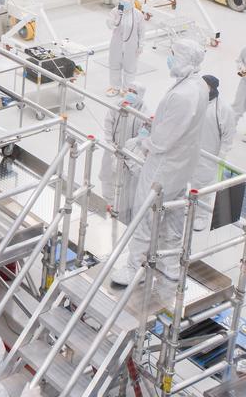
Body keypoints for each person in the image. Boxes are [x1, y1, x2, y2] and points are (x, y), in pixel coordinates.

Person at [111, 38, 207, 286]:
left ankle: (134, 266)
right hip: (183, 164)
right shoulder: (198, 86)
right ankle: (170, 263)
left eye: (173, 55)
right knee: (174, 211)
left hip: (164, 165)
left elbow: (163, 141)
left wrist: (144, 143)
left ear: (185, 59)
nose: (170, 59)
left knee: (145, 211)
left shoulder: (183, 95)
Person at [193, 75, 236, 231]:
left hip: (209, 155)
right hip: (190, 151)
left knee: (203, 186)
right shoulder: (195, 100)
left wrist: (220, 157)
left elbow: (228, 136)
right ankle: (190, 206)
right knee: (188, 181)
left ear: (211, 87)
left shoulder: (223, 109)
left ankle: (201, 216)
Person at [98, 85, 146, 208]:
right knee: (108, 176)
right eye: (129, 90)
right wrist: (109, 142)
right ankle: (107, 201)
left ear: (140, 95)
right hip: (112, 148)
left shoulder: (144, 112)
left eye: (134, 92)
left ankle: (119, 206)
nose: (130, 93)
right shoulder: (118, 104)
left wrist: (129, 152)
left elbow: (142, 137)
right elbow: (108, 121)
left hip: (128, 155)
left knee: (123, 182)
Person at [106, 0, 145, 94]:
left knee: (130, 68)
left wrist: (140, 45)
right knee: (114, 66)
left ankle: (127, 89)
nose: (126, 0)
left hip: (131, 46)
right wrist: (117, 17)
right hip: (117, 44)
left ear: (133, 0)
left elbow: (141, 31)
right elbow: (110, 25)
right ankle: (115, 87)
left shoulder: (138, 15)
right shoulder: (115, 11)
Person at [232, 47, 246, 140]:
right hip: (244, 82)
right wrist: (242, 67)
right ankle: (230, 127)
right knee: (238, 105)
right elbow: (239, 60)